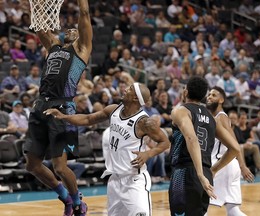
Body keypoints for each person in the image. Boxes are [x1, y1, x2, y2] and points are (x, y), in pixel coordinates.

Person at [43, 83, 170, 216]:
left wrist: (148, 153)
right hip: (114, 180)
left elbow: (165, 142)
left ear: (135, 98)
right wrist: (63, 117)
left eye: (130, 89)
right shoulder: (113, 110)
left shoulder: (144, 122)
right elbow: (87, 119)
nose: (125, 89)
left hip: (134, 180)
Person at [23, 0, 92, 215]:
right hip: (41, 105)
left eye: (75, 29)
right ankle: (66, 198)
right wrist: (34, 4)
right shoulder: (53, 46)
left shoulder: (82, 48)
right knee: (32, 165)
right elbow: (39, 23)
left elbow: (84, 12)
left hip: (63, 108)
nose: (71, 29)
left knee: (60, 167)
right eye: (68, 28)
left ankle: (78, 202)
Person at [169, 77, 240, 216]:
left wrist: (200, 174)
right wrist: (213, 170)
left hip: (185, 172)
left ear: (186, 91)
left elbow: (192, 138)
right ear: (203, 96)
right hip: (207, 172)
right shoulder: (212, 118)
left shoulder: (180, 111)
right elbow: (235, 148)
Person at [206, 86, 254, 216]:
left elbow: (234, 144)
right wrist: (241, 166)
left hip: (220, 164)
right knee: (233, 210)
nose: (209, 97)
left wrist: (243, 166)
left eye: (214, 95)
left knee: (200, 204)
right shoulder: (220, 117)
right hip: (231, 166)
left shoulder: (221, 118)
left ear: (221, 100)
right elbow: (235, 144)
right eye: (209, 94)